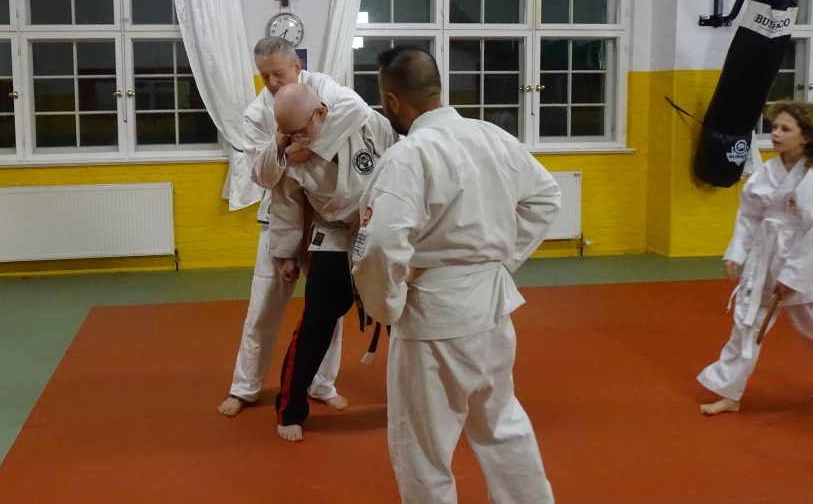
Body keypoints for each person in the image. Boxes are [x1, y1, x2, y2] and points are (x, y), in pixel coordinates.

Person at [352, 47, 559, 504]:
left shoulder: (409, 156)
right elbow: (546, 198)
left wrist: (387, 304)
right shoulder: (492, 137)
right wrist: (502, 260)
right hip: (493, 309)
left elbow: (380, 244)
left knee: (422, 447)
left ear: (392, 101)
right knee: (501, 424)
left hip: (434, 316)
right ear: (436, 89)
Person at [217, 37, 358, 418]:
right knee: (263, 307)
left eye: (278, 73)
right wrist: (280, 144)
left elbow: (357, 113)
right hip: (279, 216)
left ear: (297, 66)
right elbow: (261, 176)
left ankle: (322, 383)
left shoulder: (324, 87)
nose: (272, 83)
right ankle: (245, 387)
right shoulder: (256, 113)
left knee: (328, 309)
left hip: (328, 220)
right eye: (264, 76)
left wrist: (313, 146)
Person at [698, 100, 813, 415]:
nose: (776, 134)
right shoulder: (768, 171)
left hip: (809, 264)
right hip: (765, 258)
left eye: (785, 129)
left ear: (806, 136)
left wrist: (793, 277)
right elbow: (750, 216)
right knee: (747, 325)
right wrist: (737, 252)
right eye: (775, 127)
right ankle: (730, 393)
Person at [269, 81, 397, 441]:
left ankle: (416, 399)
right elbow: (286, 205)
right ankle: (290, 409)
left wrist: (375, 210)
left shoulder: (366, 124)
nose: (295, 139)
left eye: (301, 130)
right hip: (333, 236)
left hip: (382, 232)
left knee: (400, 320)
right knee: (315, 323)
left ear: (321, 112)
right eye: (287, 133)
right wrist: (287, 254)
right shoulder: (290, 153)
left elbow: (400, 166)